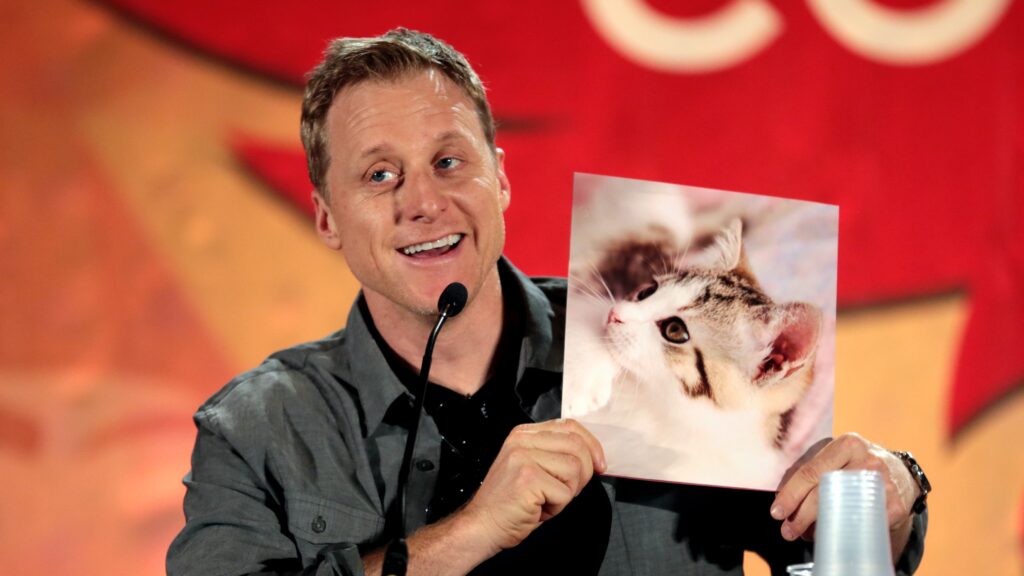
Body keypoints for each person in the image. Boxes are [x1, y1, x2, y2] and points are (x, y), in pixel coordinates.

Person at [167, 28, 928, 575]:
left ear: (498, 180)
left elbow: (828, 552)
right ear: (327, 218)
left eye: (447, 161)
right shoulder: (255, 430)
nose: (423, 202)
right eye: (379, 176)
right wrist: (466, 535)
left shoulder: (629, 336)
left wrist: (889, 493)